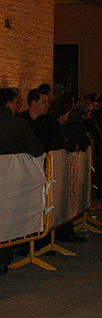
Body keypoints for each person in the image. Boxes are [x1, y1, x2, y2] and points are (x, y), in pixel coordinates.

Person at [0, 88, 45, 273]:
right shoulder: (19, 124)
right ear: (9, 103)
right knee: (6, 220)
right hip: (11, 182)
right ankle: (3, 261)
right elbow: (37, 149)